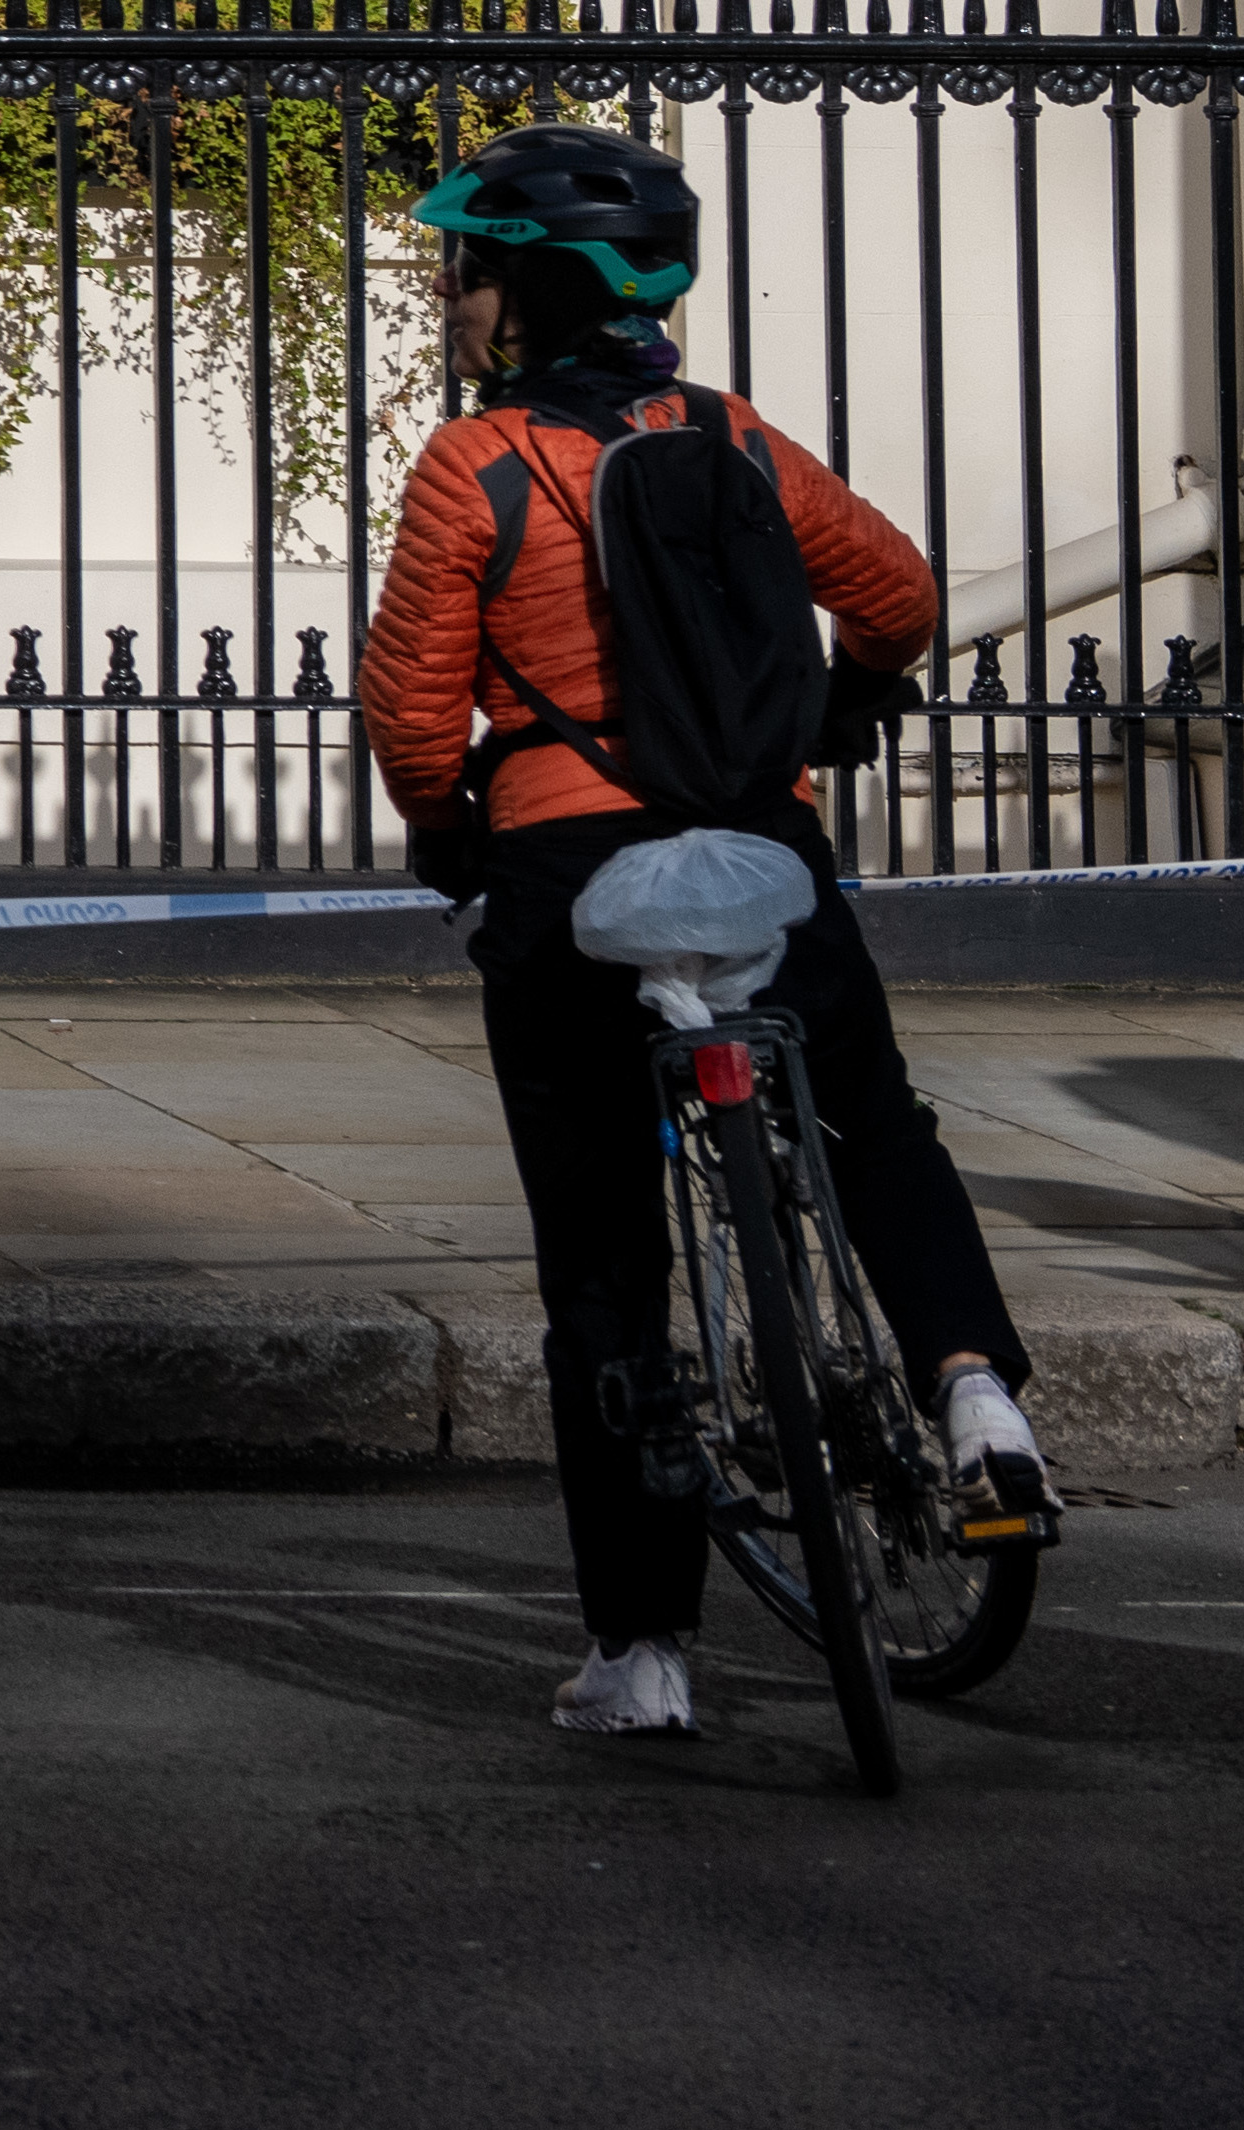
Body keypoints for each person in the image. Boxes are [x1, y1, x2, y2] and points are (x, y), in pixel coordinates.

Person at [358, 122, 1053, 1745]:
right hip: (761, 845)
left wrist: (449, 835)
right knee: (874, 1123)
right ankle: (975, 1392)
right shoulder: (734, 436)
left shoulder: (479, 466)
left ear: (526, 290)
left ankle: (646, 1652)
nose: (452, 296)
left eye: (467, 268)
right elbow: (899, 591)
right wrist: (842, 705)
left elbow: (409, 708)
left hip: (565, 872)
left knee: (604, 1255)